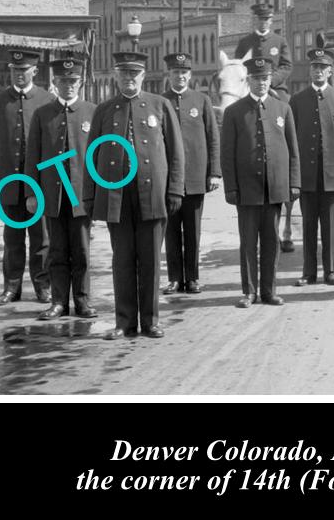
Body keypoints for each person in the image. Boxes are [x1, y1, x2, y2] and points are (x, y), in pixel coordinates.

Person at [83, 52, 185, 339]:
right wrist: (89, 196)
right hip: (116, 195)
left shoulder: (160, 106)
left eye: (135, 75)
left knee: (151, 259)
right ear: (117, 76)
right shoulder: (104, 110)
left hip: (151, 194)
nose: (129, 79)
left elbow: (176, 154)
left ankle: (150, 320)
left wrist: (175, 189)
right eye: (124, 74)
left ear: (143, 76)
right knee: (123, 259)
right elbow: (92, 155)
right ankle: (124, 321)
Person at [221, 57, 301, 307]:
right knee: (248, 242)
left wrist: (293, 183)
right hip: (247, 189)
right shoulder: (234, 112)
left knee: (271, 241)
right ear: (249, 81)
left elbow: (293, 150)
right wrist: (231, 187)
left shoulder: (282, 109)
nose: (262, 83)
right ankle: (249, 292)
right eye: (256, 79)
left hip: (274, 188)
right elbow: (227, 153)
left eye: (265, 78)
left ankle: (269, 290)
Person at [0, 47, 54, 306]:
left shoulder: (46, 100)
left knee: (41, 239)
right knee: (12, 238)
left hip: (38, 185)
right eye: (14, 70)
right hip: (7, 185)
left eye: (24, 70)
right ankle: (11, 288)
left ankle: (43, 287)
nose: (19, 75)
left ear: (34, 70)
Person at [25, 55, 96, 319]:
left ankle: (83, 301)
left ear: (80, 82)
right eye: (63, 81)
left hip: (81, 195)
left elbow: (98, 156)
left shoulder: (92, 112)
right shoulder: (43, 114)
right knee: (56, 251)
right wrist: (32, 192)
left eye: (73, 80)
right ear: (55, 83)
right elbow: (33, 156)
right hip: (53, 195)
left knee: (81, 251)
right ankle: (58, 302)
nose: (69, 85)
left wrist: (98, 192)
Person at [289, 48, 334, 287]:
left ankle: (330, 271)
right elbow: (292, 141)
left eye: (322, 68)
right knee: (308, 225)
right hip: (307, 175)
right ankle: (309, 272)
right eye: (314, 67)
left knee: (329, 224)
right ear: (310, 71)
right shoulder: (297, 101)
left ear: (330, 71)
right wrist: (293, 177)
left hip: (331, 174)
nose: (318, 71)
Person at [160, 52, 221, 295]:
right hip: (168, 179)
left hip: (196, 177)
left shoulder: (201, 100)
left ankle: (193, 277)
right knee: (171, 231)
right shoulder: (160, 101)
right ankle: (175, 278)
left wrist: (214, 173)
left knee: (193, 231)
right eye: (176, 72)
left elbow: (213, 138)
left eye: (184, 72)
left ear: (190, 75)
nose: (180, 77)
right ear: (169, 75)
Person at [235, 3, 293, 99]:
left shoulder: (280, 41)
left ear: (271, 21)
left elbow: (287, 66)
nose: (263, 22)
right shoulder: (244, 42)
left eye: (266, 19)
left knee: (285, 106)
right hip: (249, 87)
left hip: (275, 87)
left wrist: (271, 80)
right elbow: (238, 67)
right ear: (255, 20)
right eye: (260, 19)